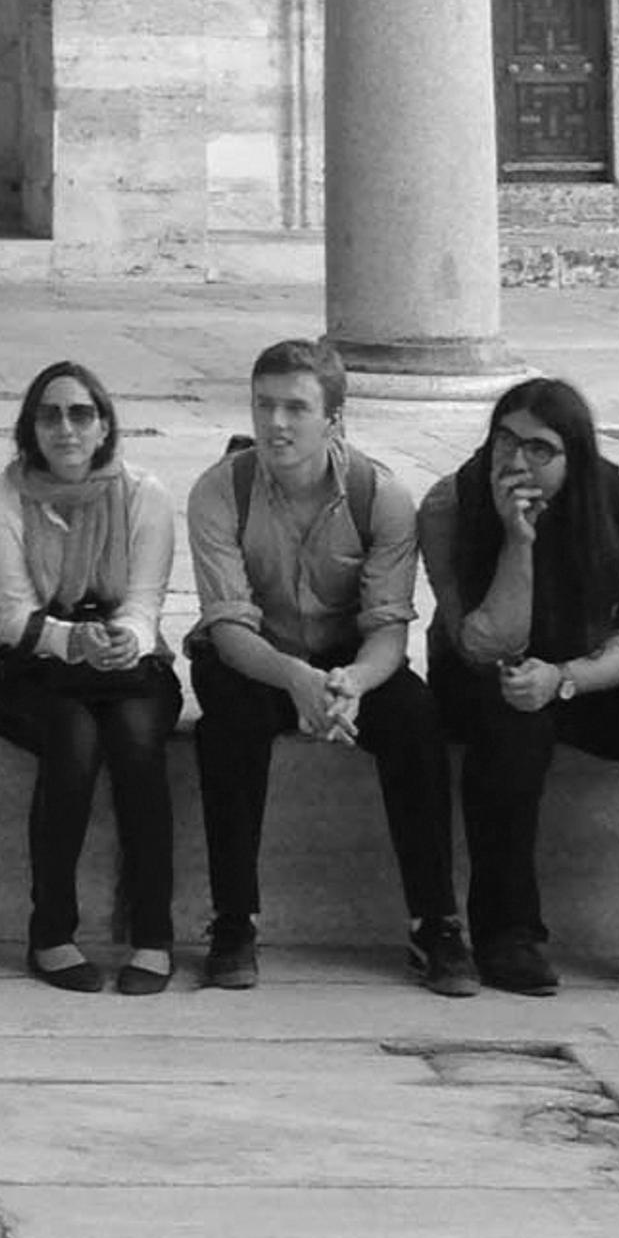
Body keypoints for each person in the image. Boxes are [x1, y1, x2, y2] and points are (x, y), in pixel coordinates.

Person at [418, 377, 619, 1005]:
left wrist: (567, 679)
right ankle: (507, 933)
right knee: (511, 718)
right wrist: (517, 544)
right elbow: (480, 643)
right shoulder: (450, 502)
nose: (516, 460)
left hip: (585, 666)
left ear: (573, 457)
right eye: (505, 440)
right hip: (483, 670)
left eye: (539, 449)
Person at [179, 336, 467, 994]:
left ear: (334, 417)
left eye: (295, 408)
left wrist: (351, 684)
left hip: (347, 658)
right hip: (254, 657)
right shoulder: (220, 491)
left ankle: (436, 920)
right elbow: (227, 626)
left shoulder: (380, 496)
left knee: (416, 718)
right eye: (263, 405)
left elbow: (389, 628)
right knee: (228, 720)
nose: (275, 423)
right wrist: (296, 679)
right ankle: (232, 919)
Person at [0, 361, 180, 995]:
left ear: (104, 425)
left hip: (124, 661)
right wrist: (70, 641)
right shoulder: (2, 497)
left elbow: (145, 602)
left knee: (138, 744)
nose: (65, 428)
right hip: (32, 665)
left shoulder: (144, 494)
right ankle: (51, 933)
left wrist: (124, 641)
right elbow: (9, 613)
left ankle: (153, 934)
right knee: (74, 741)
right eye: (49, 415)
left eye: (80, 414)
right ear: (31, 428)